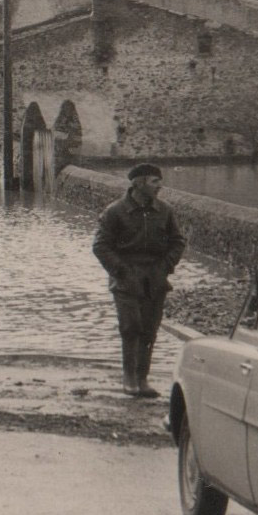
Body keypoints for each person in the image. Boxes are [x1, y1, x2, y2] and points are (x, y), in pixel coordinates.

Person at [92, 163, 186, 398]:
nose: (160, 186)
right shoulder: (114, 212)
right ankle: (129, 378)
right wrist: (120, 270)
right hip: (126, 279)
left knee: (149, 330)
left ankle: (142, 379)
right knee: (130, 326)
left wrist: (165, 266)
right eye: (155, 181)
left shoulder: (165, 211)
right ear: (138, 183)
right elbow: (101, 246)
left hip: (155, 278)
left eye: (159, 181)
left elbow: (178, 241)